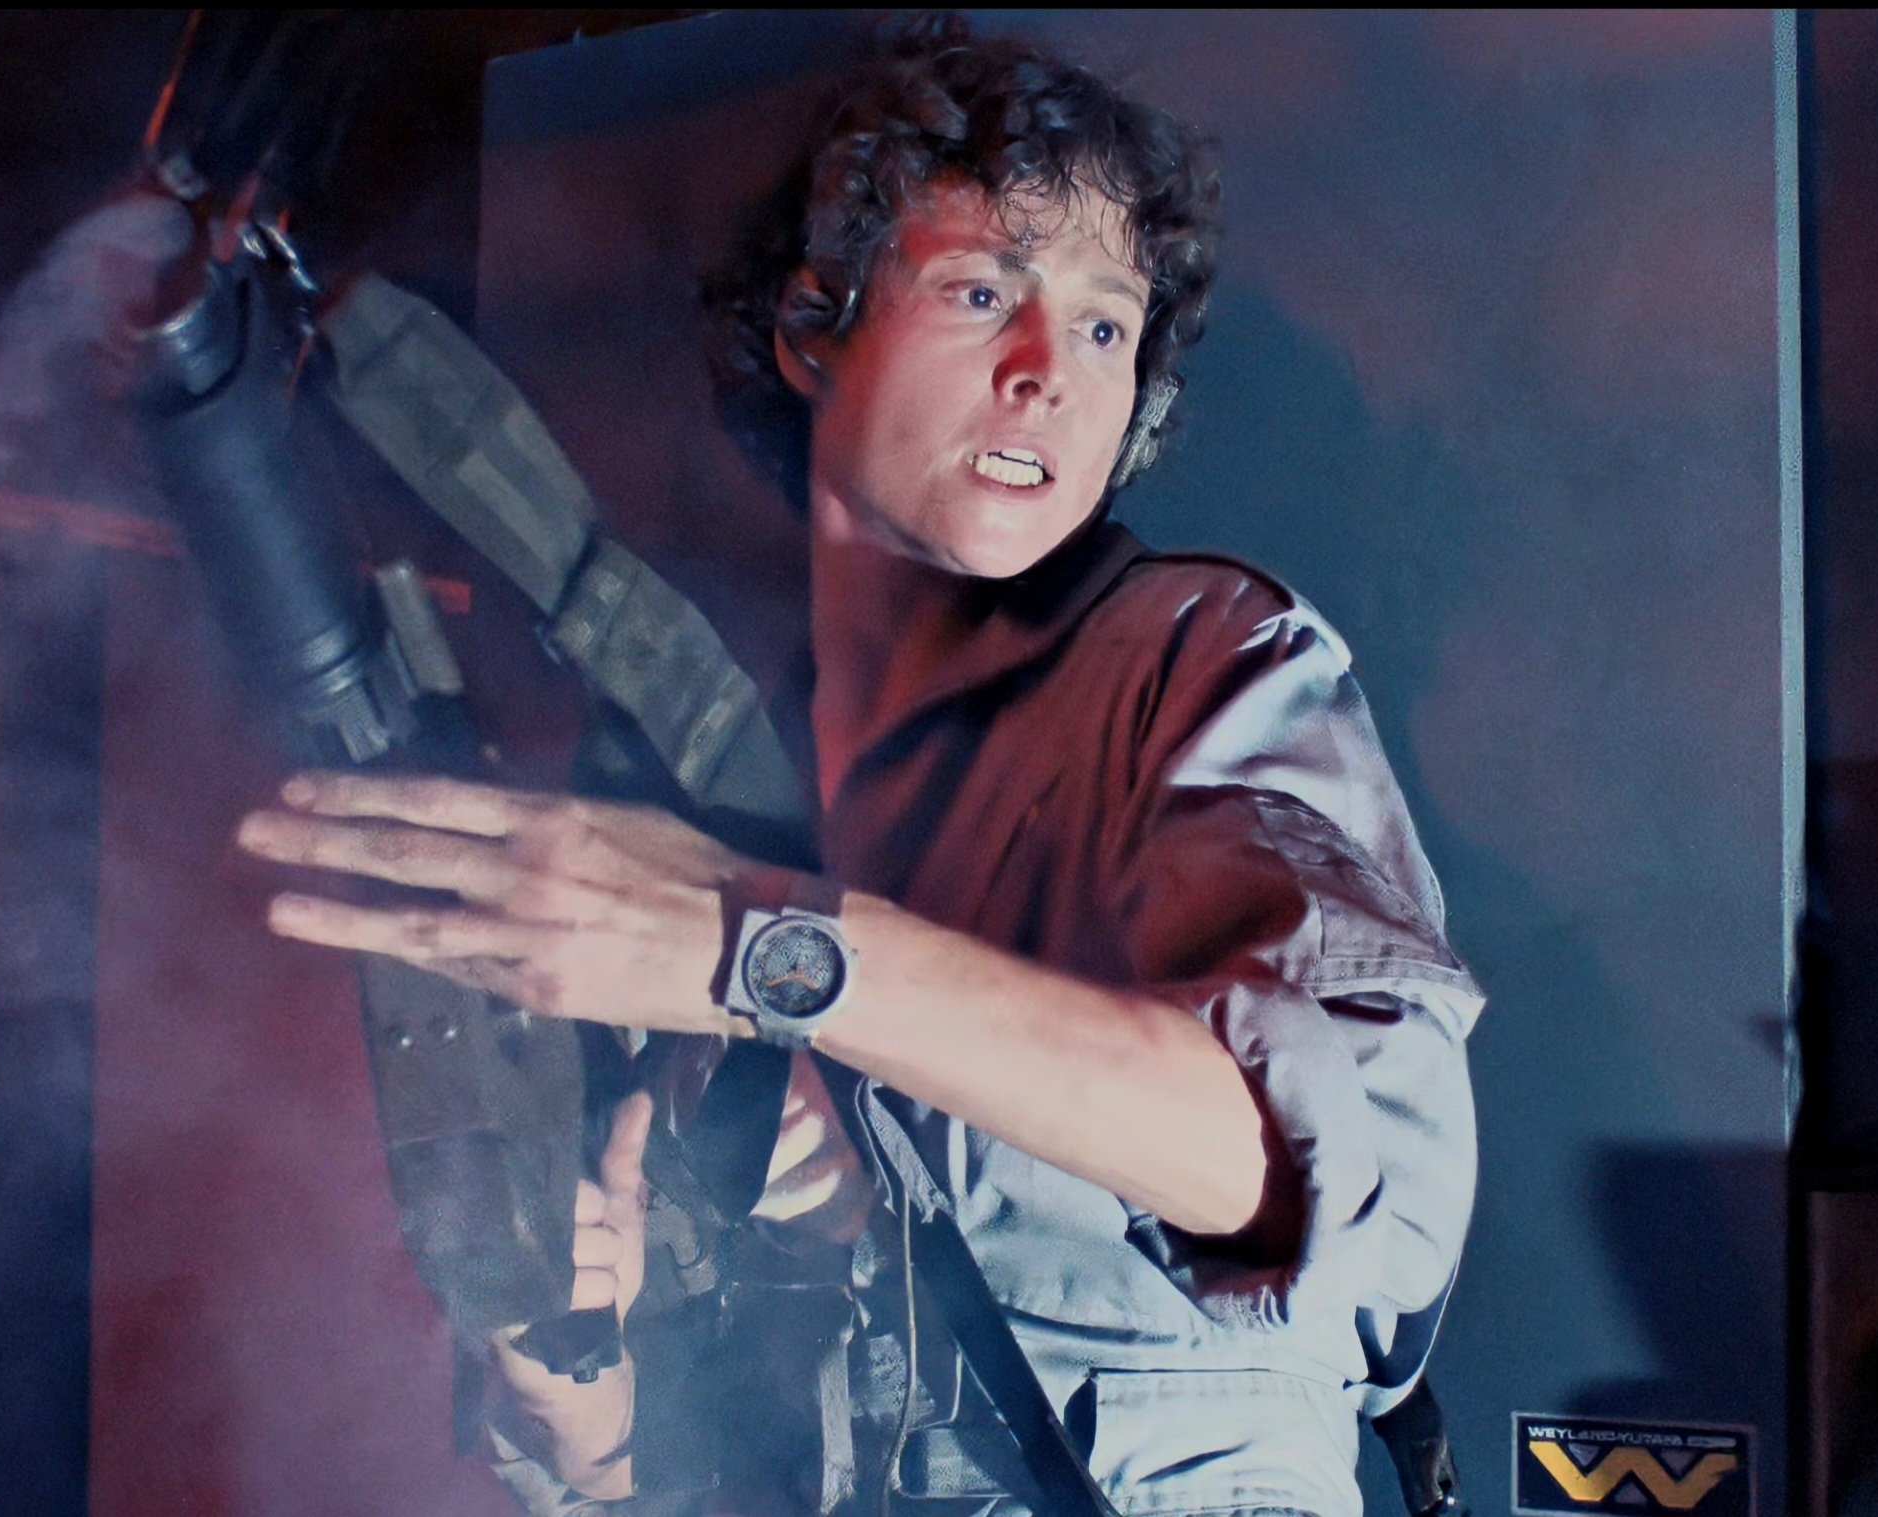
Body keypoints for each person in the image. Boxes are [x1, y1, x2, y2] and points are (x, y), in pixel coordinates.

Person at [232, 19, 1482, 1517]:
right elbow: (653, 1484)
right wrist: (578, 1388)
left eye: (1105, 327)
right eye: (981, 292)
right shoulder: (705, 780)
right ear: (813, 324)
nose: (1049, 371)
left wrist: (767, 949)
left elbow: (1324, 1195)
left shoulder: (1198, 664)